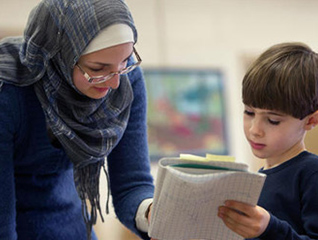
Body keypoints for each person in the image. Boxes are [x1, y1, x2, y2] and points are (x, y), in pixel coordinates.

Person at [0, 0, 155, 239]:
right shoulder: (9, 93)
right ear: (59, 57)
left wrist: (151, 214)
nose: (114, 82)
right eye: (97, 68)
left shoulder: (125, 80)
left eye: (124, 61)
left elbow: (132, 184)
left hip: (71, 225)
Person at [217, 42, 318, 239]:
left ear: (311, 120)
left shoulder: (311, 174)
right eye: (249, 112)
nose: (255, 130)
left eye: (273, 120)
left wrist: (269, 229)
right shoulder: (256, 180)